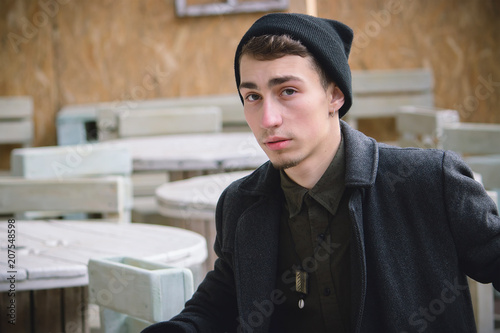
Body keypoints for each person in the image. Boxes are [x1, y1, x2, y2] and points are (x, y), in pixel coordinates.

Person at [142, 13, 500, 333]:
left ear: (335, 96)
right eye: (252, 97)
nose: (268, 120)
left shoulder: (427, 181)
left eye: (288, 91)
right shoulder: (241, 203)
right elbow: (217, 306)